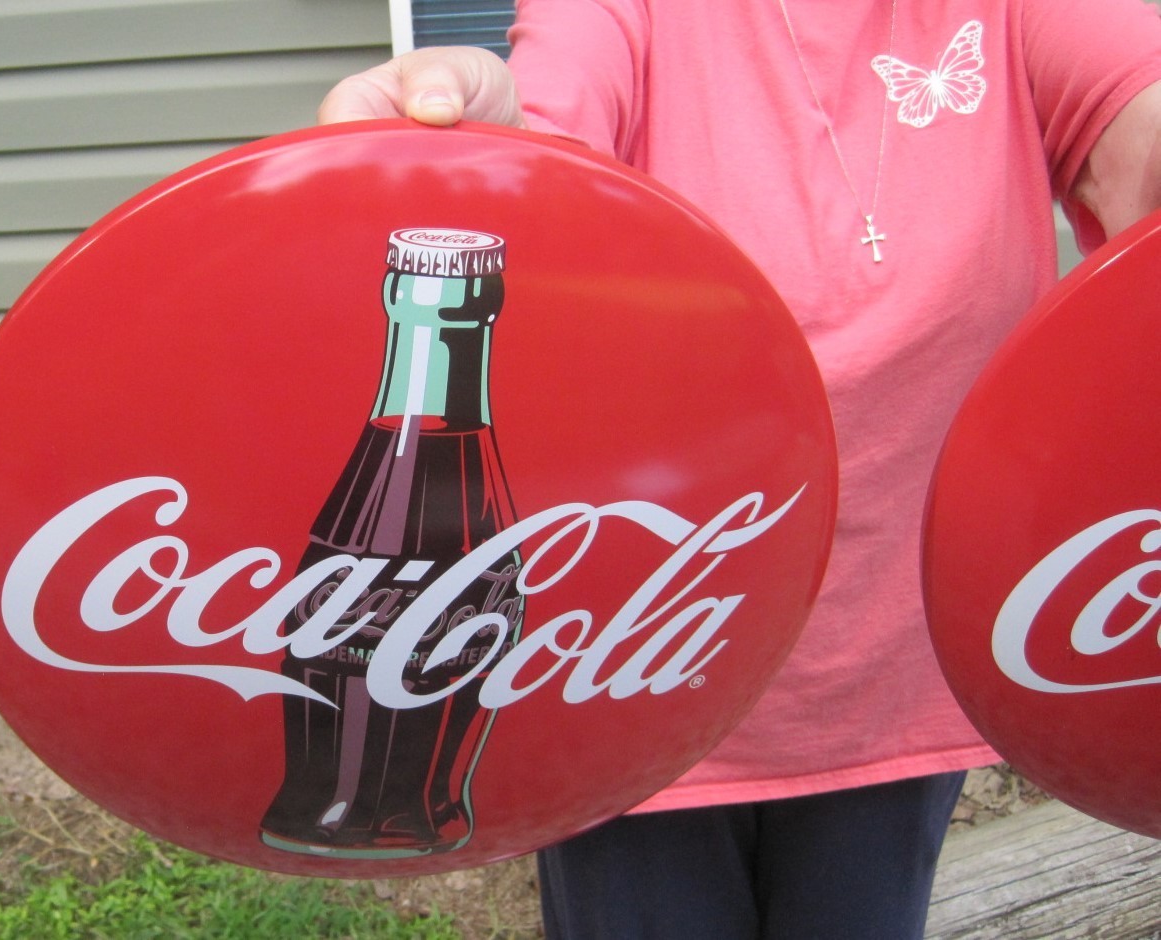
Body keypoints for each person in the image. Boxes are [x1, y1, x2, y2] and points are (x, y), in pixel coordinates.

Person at [318, 2, 1161, 937]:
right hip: (637, 651)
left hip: (887, 656)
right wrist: (484, 159)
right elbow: (550, 138)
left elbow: (1137, 110)